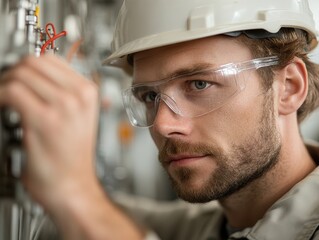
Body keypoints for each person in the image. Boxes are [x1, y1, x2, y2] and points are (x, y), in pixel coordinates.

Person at [1, 0, 319, 239]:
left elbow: (90, 209)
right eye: (150, 97)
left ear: (289, 87)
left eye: (199, 84)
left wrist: (76, 195)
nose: (164, 124)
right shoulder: (205, 227)